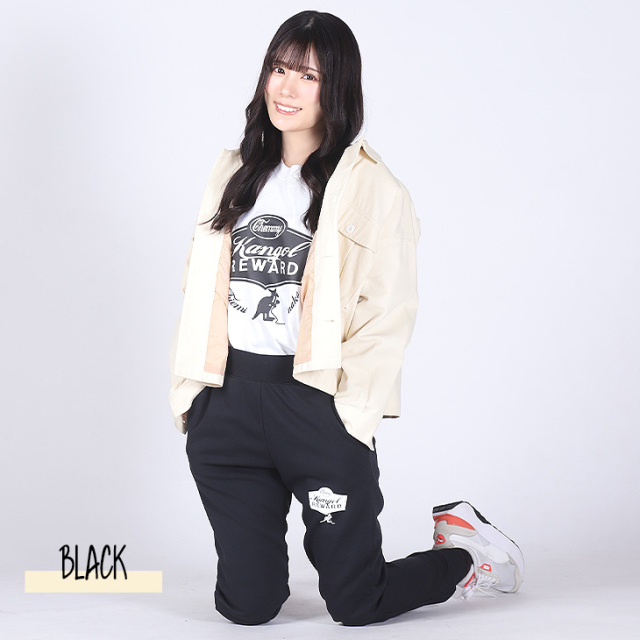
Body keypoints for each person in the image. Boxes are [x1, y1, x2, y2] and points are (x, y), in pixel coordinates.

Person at [169, 10, 524, 627]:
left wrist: (347, 414)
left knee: (358, 602)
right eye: (279, 69)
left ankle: (467, 554)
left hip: (314, 404)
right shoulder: (233, 174)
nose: (286, 88)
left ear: (336, 87)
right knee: (246, 608)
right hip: (226, 402)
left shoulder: (374, 190)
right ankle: (255, 578)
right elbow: (197, 288)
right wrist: (195, 399)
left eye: (307, 75)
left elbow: (390, 312)